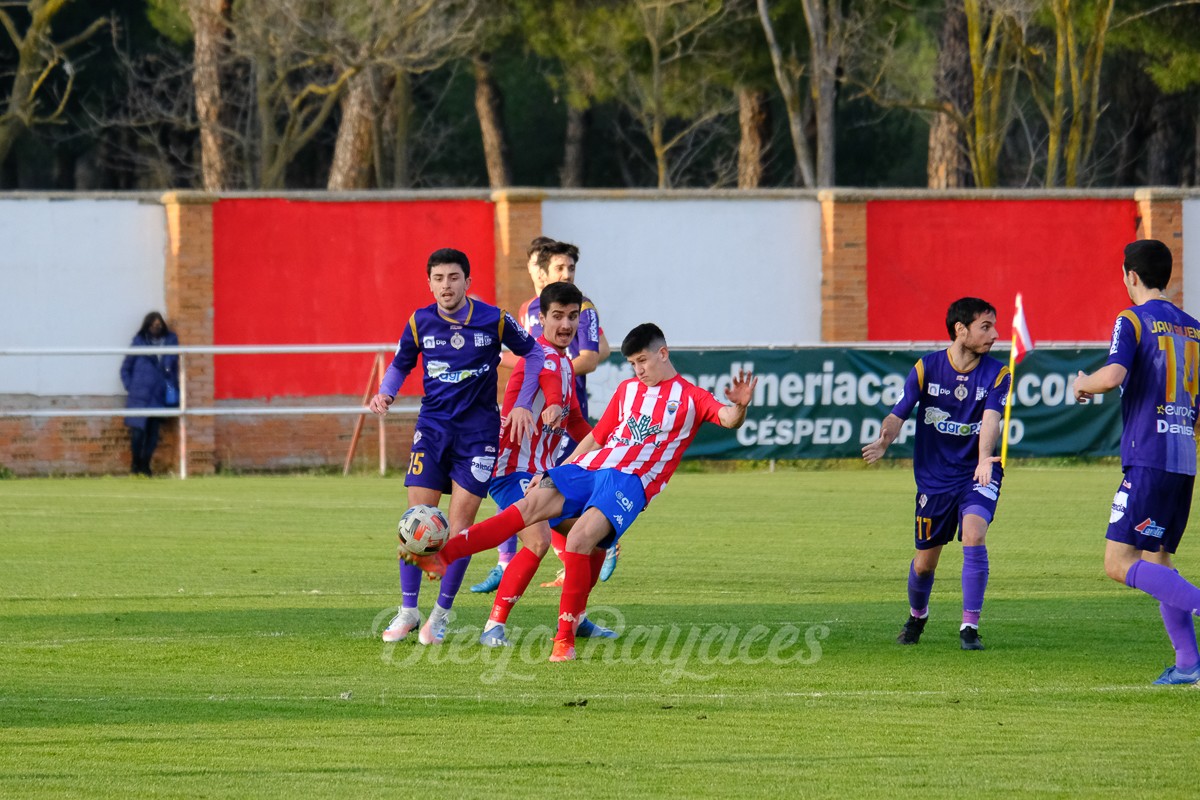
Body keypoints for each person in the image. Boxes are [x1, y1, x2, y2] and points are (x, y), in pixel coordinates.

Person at [404, 323, 756, 662]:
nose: (638, 370)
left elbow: (727, 418)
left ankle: (564, 642)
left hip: (630, 482)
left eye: (643, 361)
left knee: (579, 541)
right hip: (589, 467)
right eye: (632, 364)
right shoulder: (627, 390)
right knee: (527, 508)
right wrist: (556, 471)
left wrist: (739, 407)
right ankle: (443, 556)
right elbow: (596, 437)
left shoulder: (691, 396)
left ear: (662, 353)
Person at [371, 248, 544, 646]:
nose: (446, 286)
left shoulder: (494, 319)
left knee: (460, 529)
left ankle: (440, 615)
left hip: (477, 435)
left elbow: (533, 353)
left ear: (468, 282)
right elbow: (401, 363)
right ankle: (408, 610)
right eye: (438, 279)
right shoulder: (420, 321)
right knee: (415, 522)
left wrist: (522, 402)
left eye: (453, 278)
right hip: (432, 430)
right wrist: (386, 392)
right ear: (429, 283)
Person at [1073, 239, 1200, 685]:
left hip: (1148, 457)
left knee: (1118, 562)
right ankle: (1187, 664)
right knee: (1158, 560)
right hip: (1183, 460)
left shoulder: (1131, 319)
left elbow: (1113, 376)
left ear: (1130, 275)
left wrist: (1083, 382)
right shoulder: (1193, 328)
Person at [471, 237, 619, 593]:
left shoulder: (574, 338)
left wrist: (609, 442)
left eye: (573, 317)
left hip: (549, 448)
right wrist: (548, 390)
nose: (567, 323)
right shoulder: (535, 335)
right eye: (558, 267)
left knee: (574, 528)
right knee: (537, 529)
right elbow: (541, 370)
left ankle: (572, 610)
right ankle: (496, 588)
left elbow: (590, 369)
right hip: (519, 457)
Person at [862, 297, 1010, 651]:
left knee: (974, 534)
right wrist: (884, 440)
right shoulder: (926, 368)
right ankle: (917, 616)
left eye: (994, 326)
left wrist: (984, 459)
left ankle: (969, 627)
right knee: (925, 564)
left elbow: (991, 419)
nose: (995, 334)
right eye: (985, 327)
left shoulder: (998, 373)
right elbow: (898, 412)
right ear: (961, 330)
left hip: (978, 472)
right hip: (934, 479)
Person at [119, 311, 179, 477]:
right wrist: (132, 387)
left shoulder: (170, 342)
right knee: (138, 432)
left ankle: (145, 466)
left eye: (158, 324)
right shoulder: (139, 343)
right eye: (153, 325)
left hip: (159, 394)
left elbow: (173, 371)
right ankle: (135, 465)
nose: (156, 327)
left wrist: (172, 392)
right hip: (139, 395)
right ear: (147, 326)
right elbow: (125, 369)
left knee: (153, 433)